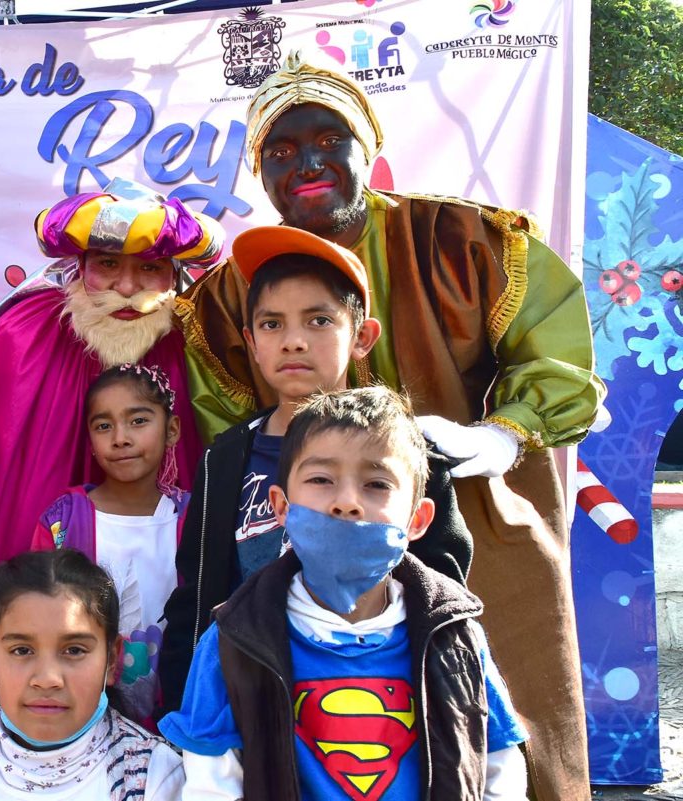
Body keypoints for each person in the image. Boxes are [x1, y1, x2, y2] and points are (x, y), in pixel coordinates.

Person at [176, 53, 604, 798]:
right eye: (280, 150)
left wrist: (502, 433)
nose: (306, 162)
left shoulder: (463, 238)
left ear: (365, 148)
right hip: (297, 556)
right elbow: (226, 433)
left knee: (488, 717)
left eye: (325, 139)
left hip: (469, 516)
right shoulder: (225, 294)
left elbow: (559, 358)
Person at [159, 387, 529, 800]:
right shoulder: (233, 642)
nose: (347, 503)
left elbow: (498, 766)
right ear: (280, 507)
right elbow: (211, 786)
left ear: (418, 519)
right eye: (321, 479)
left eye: (376, 483)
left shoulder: (455, 637)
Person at [158, 226, 471, 713]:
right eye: (272, 324)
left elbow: (443, 590)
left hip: (375, 706)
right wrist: (182, 714)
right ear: (251, 341)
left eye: (320, 321)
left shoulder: (410, 454)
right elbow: (196, 595)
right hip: (246, 700)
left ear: (362, 337)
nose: (294, 341)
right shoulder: (224, 460)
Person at [0, 178, 223, 702]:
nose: (127, 288)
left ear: (174, 275)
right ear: (78, 268)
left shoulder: (195, 342)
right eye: (107, 264)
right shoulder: (26, 332)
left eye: (149, 267)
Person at [0, 549, 184, 801]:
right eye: (22, 650)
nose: (48, 678)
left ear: (111, 660)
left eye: (74, 650)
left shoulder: (151, 777)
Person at [32, 364, 190, 724]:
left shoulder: (193, 517)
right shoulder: (63, 521)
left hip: (174, 713)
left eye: (138, 421)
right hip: (83, 714)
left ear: (172, 430)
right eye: (104, 426)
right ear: (89, 441)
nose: (120, 438)